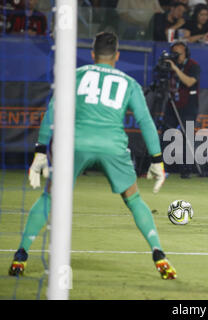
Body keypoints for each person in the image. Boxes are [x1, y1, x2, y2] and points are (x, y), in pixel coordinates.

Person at [8, 32, 177, 280]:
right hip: (113, 146)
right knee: (133, 199)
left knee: (49, 197)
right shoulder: (129, 83)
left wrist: (40, 152)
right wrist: (157, 160)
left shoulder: (75, 76)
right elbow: (145, 121)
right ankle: (159, 254)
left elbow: (51, 112)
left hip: (75, 145)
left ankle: (21, 255)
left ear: (92, 54)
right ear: (117, 56)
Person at [162, 40, 201, 179]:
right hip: (172, 103)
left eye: (179, 52)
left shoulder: (193, 66)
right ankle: (163, 168)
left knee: (187, 136)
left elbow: (190, 82)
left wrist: (175, 69)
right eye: (174, 52)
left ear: (185, 53)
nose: (176, 54)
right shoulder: (169, 65)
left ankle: (186, 169)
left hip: (189, 105)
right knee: (167, 134)